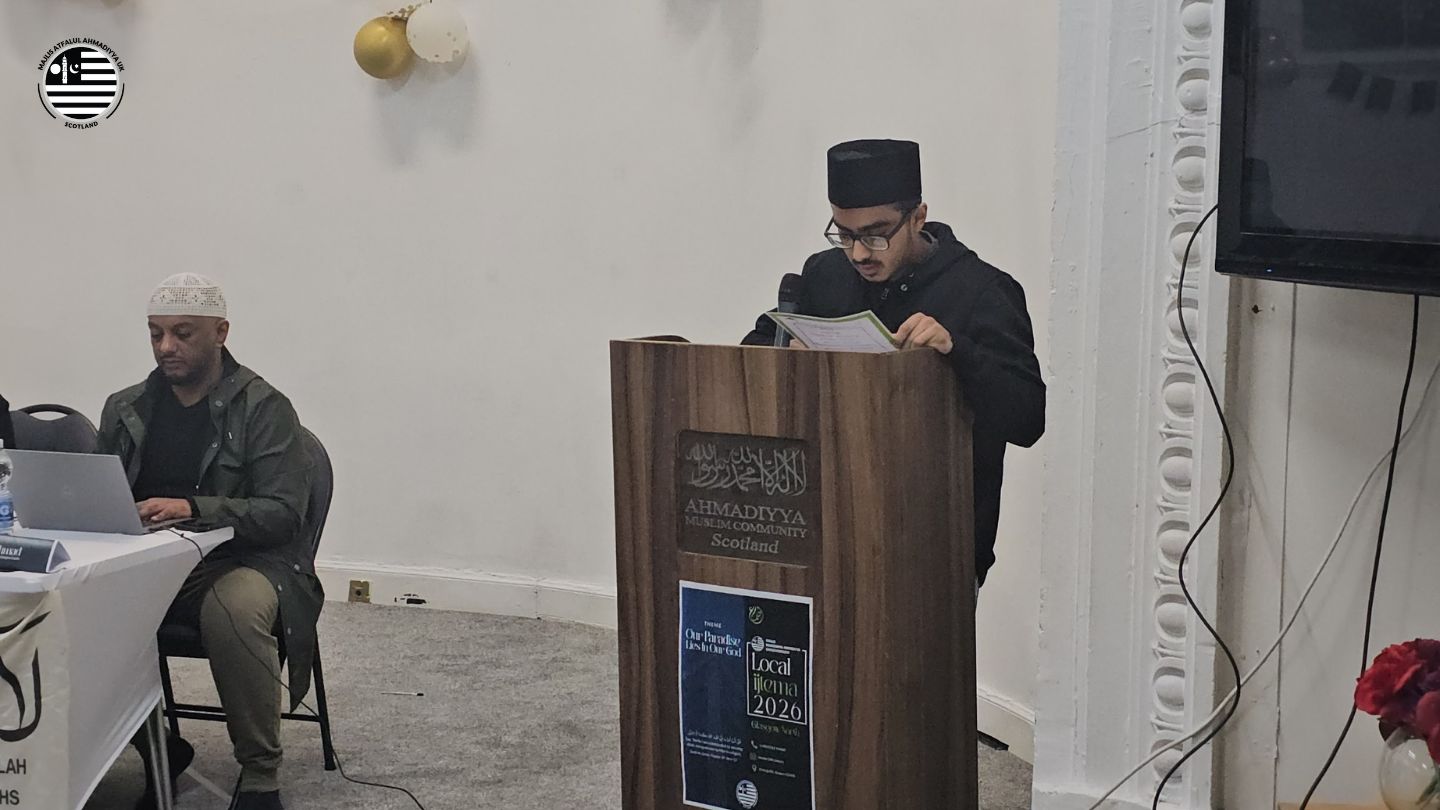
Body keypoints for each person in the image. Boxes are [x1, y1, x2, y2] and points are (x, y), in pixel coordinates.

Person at [743, 139, 1045, 588]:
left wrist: (956, 349)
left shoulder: (981, 292)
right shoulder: (826, 275)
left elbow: (1028, 419)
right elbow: (754, 346)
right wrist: (787, 351)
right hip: (822, 533)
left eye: (875, 234)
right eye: (845, 235)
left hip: (935, 551)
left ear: (918, 218)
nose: (859, 254)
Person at [96, 274, 322, 810]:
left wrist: (193, 508)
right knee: (65, 609)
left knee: (233, 610)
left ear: (220, 333)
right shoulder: (126, 407)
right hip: (148, 558)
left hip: (243, 560)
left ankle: (260, 776)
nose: (165, 347)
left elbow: (283, 515)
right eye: (155, 334)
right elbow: (100, 492)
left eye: (182, 333)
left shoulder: (264, 408)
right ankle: (155, 746)